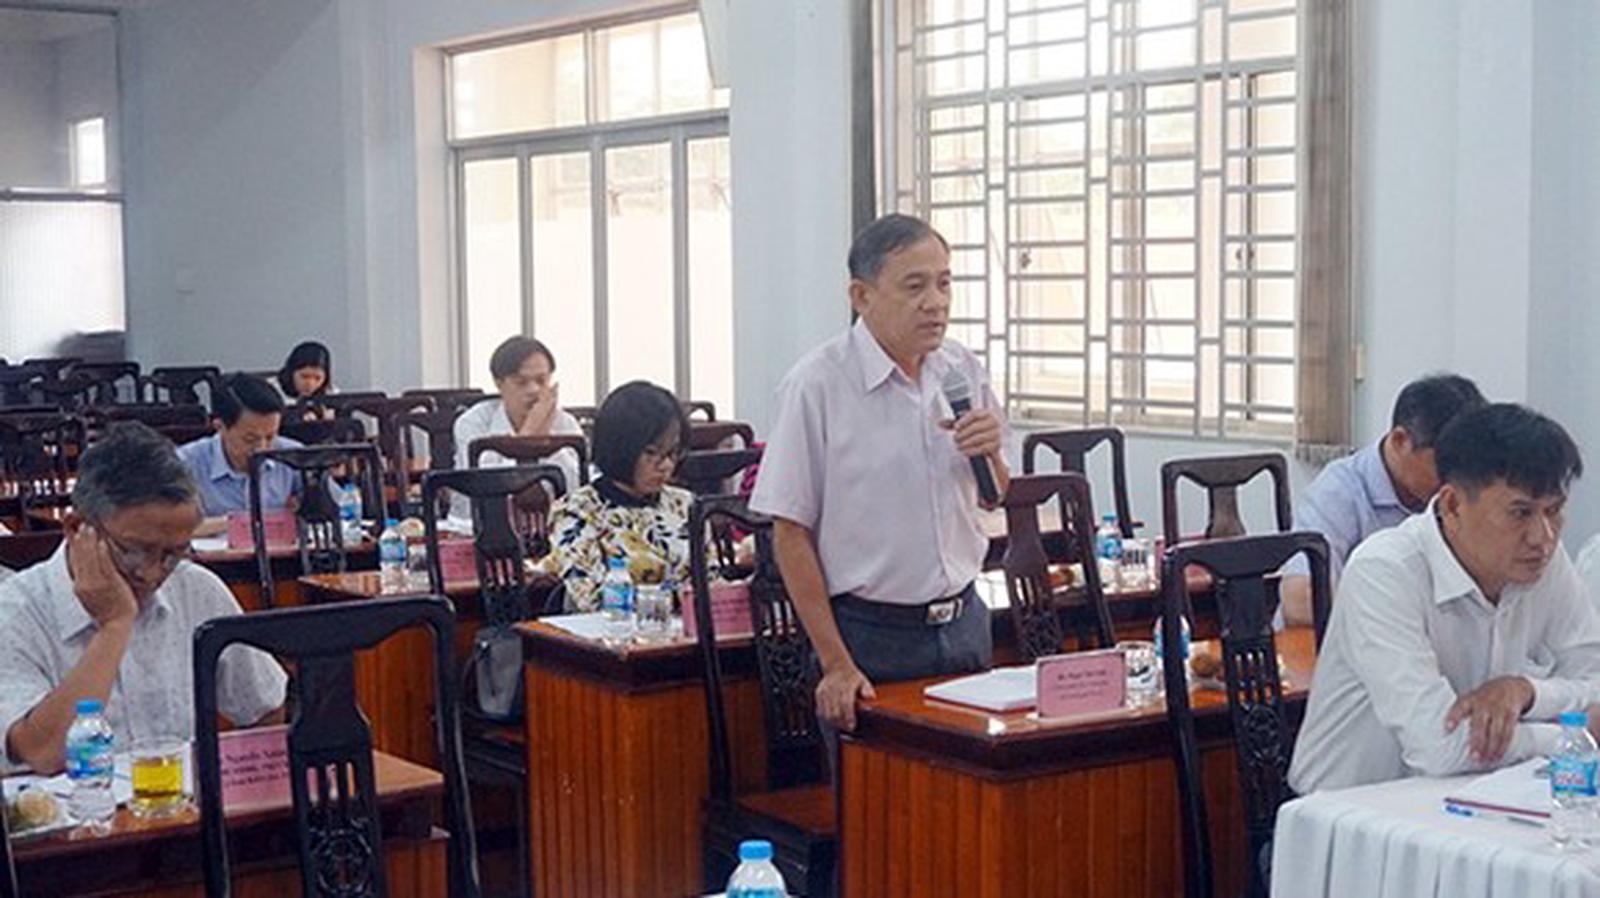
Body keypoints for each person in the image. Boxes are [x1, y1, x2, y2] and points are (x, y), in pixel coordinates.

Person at [750, 213, 1010, 737]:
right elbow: (790, 532)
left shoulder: (961, 369)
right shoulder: (818, 385)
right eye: (915, 286)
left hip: (964, 623)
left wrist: (992, 455)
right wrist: (835, 663)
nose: (935, 302)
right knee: (883, 790)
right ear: (861, 296)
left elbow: (994, 496)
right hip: (870, 636)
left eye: (944, 283)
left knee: (970, 786)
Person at [1288, 403, 1600, 794]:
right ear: (1452, 505)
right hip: (1348, 811)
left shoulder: (1543, 562)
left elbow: (1593, 677)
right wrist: (1567, 738)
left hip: (1477, 798)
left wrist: (1526, 692)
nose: (1543, 536)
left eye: (1553, 511)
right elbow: (1438, 748)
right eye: (1520, 513)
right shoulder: (1384, 570)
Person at [0, 423, 287, 774]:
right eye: (134, 552)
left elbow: (266, 708)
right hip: (67, 807)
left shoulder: (197, 589)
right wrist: (114, 625)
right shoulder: (15, 611)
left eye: (172, 554)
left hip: (180, 803)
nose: (151, 573)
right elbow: (44, 753)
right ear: (77, 529)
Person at [1281, 374, 1486, 625]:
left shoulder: (1460, 495)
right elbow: (1299, 600)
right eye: (1445, 465)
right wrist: (1399, 609)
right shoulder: (1339, 490)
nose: (1456, 481)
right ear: (1400, 441)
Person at [541, 381, 693, 612]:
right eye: (652, 453)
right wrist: (674, 601)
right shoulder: (576, 511)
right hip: (606, 629)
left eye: (672, 453)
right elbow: (591, 598)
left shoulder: (685, 505)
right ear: (621, 447)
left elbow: (709, 583)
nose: (666, 465)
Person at [452, 336, 583, 518]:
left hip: (554, 526)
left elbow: (578, 489)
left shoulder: (565, 423)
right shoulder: (473, 422)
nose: (534, 390)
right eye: (521, 382)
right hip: (475, 526)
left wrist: (546, 439)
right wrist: (531, 435)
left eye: (541, 380)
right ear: (499, 383)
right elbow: (489, 488)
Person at [176, 372, 304, 518]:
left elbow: (324, 513)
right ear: (220, 427)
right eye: (250, 439)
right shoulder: (186, 464)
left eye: (270, 437)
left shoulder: (294, 457)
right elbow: (166, 526)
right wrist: (235, 524)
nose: (262, 448)